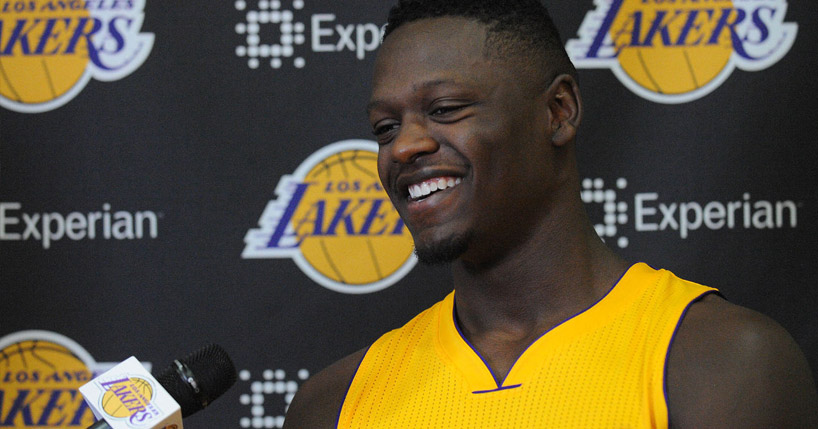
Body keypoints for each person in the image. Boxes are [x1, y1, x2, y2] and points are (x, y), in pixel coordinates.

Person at [283, 1, 818, 427]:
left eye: (444, 109)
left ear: (559, 111)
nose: (403, 147)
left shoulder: (720, 363)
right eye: (385, 128)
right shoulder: (335, 405)